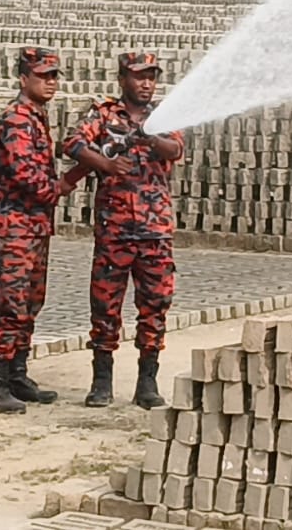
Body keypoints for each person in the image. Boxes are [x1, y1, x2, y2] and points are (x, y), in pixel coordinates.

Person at [65, 52, 185, 409]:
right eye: (138, 76)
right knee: (105, 306)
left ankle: (147, 381)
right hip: (114, 229)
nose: (146, 83)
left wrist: (149, 138)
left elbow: (176, 148)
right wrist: (105, 163)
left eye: (151, 76)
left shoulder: (165, 116)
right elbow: (71, 143)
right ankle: (101, 381)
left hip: (155, 231)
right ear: (122, 80)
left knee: (155, 305)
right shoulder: (103, 115)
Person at [0, 47, 80, 414]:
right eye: (43, 76)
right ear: (24, 79)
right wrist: (62, 184)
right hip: (13, 224)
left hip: (34, 224)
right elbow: (28, 178)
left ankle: (18, 373)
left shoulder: (37, 117)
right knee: (12, 302)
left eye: (54, 76)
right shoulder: (16, 119)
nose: (50, 83)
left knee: (32, 299)